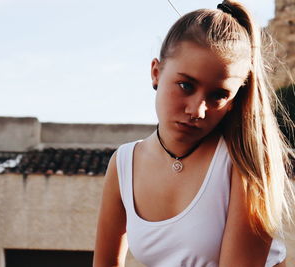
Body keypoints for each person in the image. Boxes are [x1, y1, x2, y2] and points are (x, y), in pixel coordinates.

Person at [93, 1, 294, 266]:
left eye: (218, 95)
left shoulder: (244, 163)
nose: (197, 110)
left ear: (234, 100)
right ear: (156, 72)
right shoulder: (123, 164)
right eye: (186, 85)